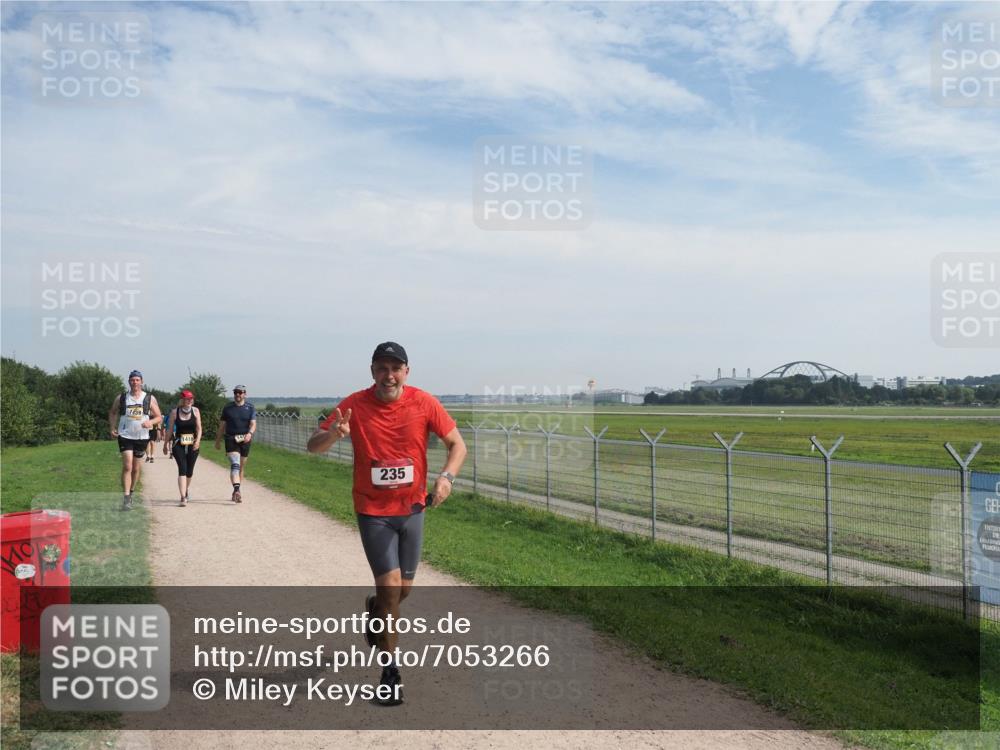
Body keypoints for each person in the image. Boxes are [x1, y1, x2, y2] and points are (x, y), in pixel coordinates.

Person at [306, 342, 467, 706]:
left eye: (396, 368)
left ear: (406, 372)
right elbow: (312, 446)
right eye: (382, 368)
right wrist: (335, 434)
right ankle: (390, 672)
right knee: (392, 589)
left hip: (412, 510)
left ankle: (375, 609)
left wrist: (446, 478)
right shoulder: (352, 405)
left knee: (401, 593)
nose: (388, 375)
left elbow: (457, 445)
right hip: (373, 510)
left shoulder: (425, 403)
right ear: (372, 371)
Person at [108, 370, 162, 510]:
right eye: (132, 380)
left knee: (136, 468)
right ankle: (126, 498)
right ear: (129, 382)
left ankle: (131, 492)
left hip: (142, 436)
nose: (135, 382)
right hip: (125, 435)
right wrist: (112, 427)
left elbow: (158, 416)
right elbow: (113, 412)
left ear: (142, 382)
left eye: (137, 380)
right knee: (127, 466)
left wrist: (151, 423)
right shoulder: (122, 398)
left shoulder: (148, 398)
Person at [215, 385, 256, 503]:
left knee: (241, 467)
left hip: (245, 439)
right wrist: (218, 441)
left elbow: (253, 424)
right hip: (231, 438)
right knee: (235, 464)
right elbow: (222, 426)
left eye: (240, 392)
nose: (237, 395)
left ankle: (236, 490)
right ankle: (237, 489)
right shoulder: (228, 408)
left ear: (245, 394)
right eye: (235, 392)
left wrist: (250, 433)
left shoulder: (250, 407)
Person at [165, 390, 202, 507]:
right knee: (182, 468)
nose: (189, 400)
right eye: (187, 398)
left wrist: (198, 441)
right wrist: (166, 443)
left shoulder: (195, 411)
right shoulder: (175, 412)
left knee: (189, 471)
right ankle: (183, 497)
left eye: (191, 398)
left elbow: (199, 428)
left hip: (193, 443)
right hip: (178, 443)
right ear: (182, 400)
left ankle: (185, 490)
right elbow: (170, 429)